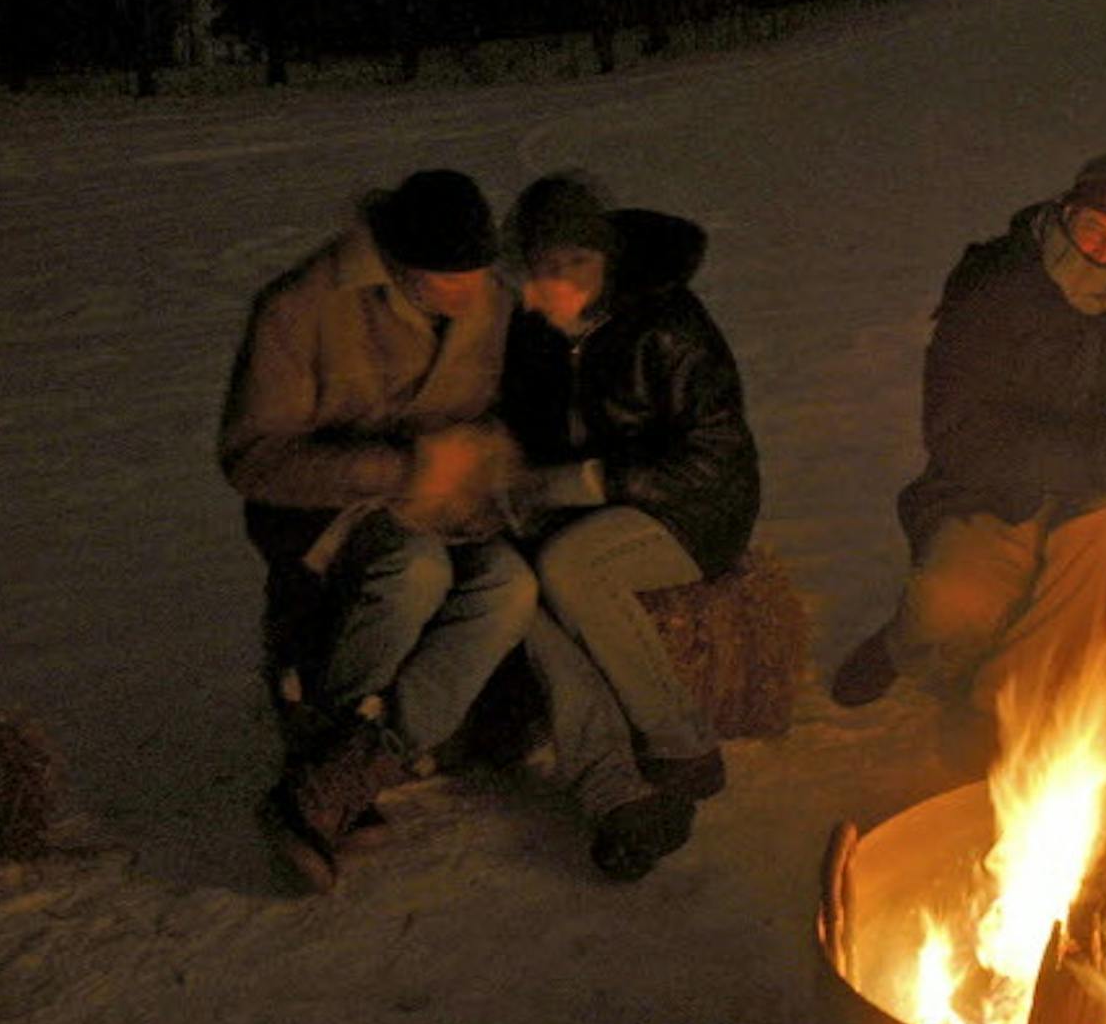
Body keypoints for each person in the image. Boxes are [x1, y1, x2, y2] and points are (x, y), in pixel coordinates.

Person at [219, 168, 538, 888]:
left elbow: (495, 410)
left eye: (480, 276)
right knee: (413, 572)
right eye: (448, 280)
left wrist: (486, 455)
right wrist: (400, 469)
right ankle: (325, 750)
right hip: (329, 509)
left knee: (510, 586)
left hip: (447, 502)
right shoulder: (302, 308)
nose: (472, 296)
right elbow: (252, 456)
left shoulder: (488, 300)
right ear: (397, 266)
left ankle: (343, 770)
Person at [830, 153, 1106, 751]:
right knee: (955, 603)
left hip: (1089, 494)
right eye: (1093, 229)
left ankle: (1001, 707)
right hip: (986, 490)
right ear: (1063, 216)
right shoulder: (997, 290)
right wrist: (1084, 457)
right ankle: (901, 642)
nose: (1104, 251)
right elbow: (960, 429)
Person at [498, 174, 762, 879]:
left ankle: (683, 741)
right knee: (517, 588)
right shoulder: (532, 330)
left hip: (690, 508)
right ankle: (613, 784)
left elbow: (712, 453)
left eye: (577, 264)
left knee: (575, 567)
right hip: (585, 508)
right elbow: (523, 426)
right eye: (545, 268)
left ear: (607, 257)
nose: (561, 283)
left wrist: (589, 482)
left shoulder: (668, 325)